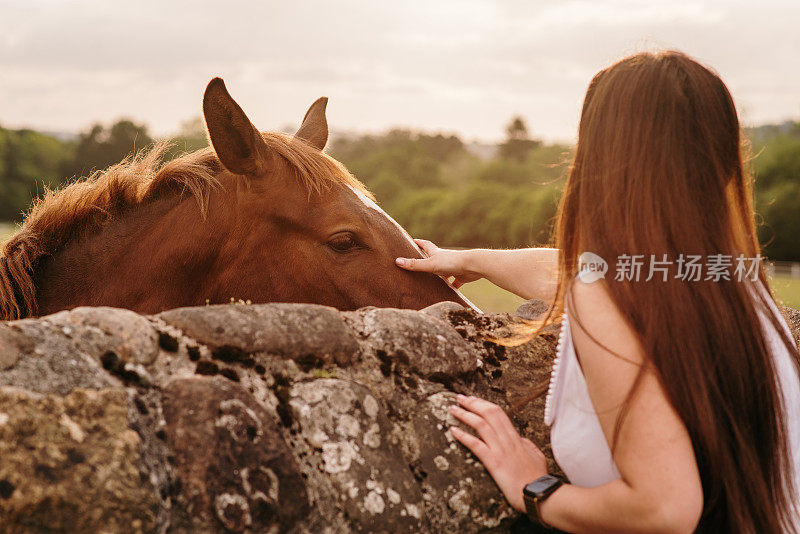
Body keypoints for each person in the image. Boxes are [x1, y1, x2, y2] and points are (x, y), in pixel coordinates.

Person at [395, 50, 800, 533]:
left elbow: (665, 509)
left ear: (600, 161)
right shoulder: (730, 280)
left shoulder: (609, 299)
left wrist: (535, 489)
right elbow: (575, 273)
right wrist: (471, 259)